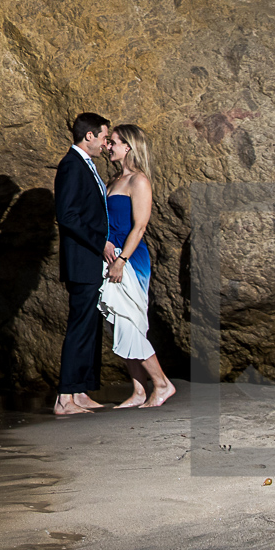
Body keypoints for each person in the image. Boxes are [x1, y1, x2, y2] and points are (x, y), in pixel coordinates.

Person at [99, 123, 176, 408]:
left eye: (114, 142)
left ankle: (162, 384)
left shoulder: (138, 181)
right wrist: (105, 245)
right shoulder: (112, 181)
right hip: (109, 256)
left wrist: (121, 260)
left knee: (131, 323)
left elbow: (140, 226)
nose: (109, 146)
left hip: (130, 259)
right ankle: (138, 391)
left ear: (128, 146)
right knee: (120, 322)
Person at [53, 112, 116, 415]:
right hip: (82, 258)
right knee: (79, 325)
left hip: (90, 259)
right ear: (88, 136)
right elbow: (67, 216)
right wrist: (99, 242)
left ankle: (80, 391)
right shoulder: (71, 166)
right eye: (104, 137)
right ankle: (65, 397)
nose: (106, 144)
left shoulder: (86, 166)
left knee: (90, 324)